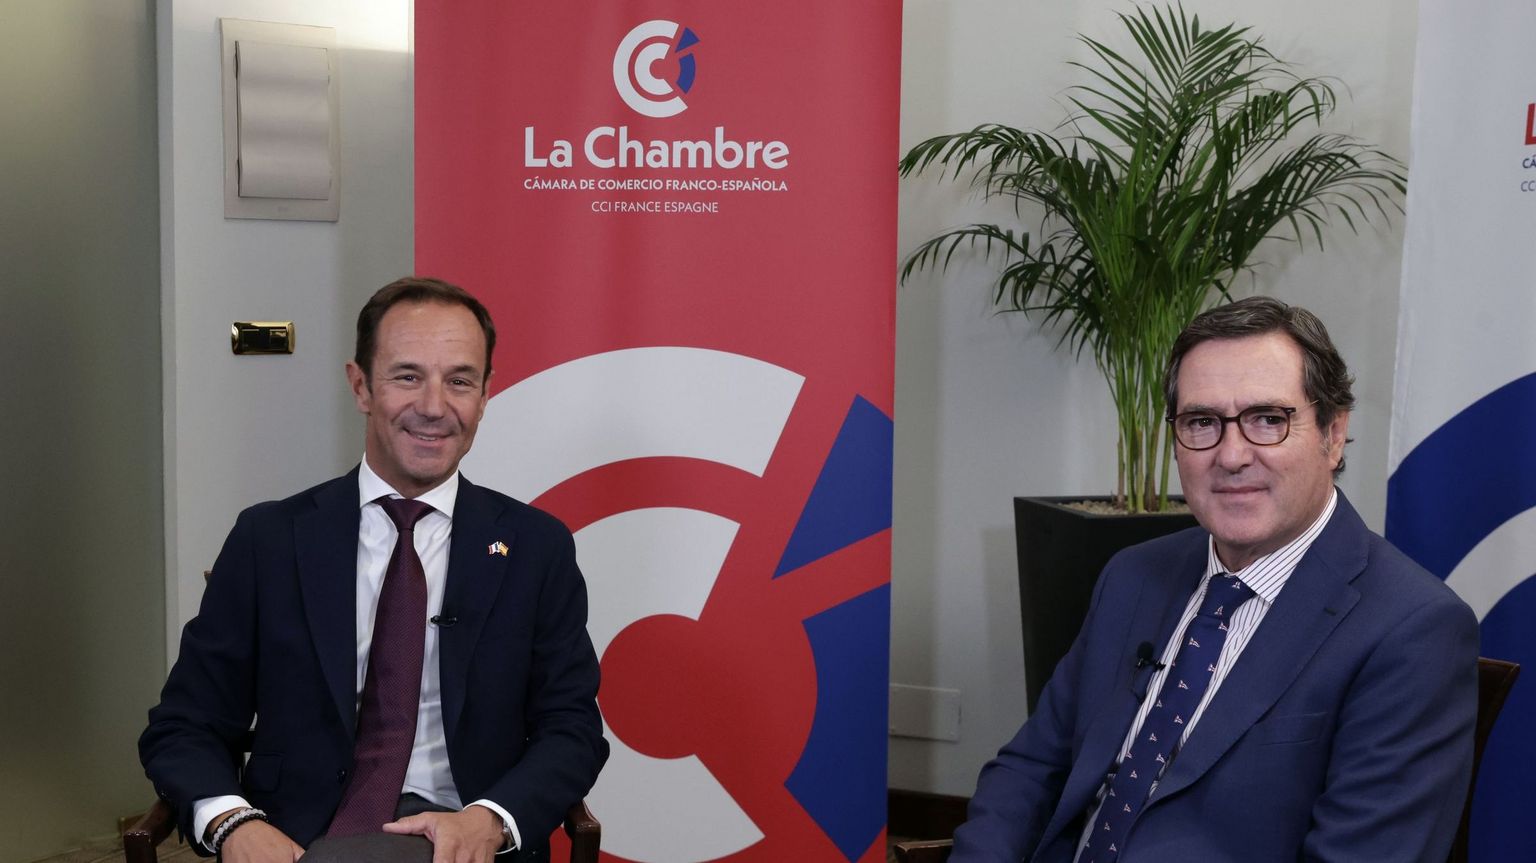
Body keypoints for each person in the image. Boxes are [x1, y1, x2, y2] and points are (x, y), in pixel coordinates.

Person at [951, 297, 1478, 863]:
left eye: (1268, 420)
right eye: (1202, 422)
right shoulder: (1133, 575)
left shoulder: (1413, 629)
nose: (1231, 456)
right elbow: (1029, 770)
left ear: (1332, 434)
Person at [140, 277, 607, 863]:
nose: (434, 407)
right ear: (360, 385)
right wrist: (234, 823)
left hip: (466, 838)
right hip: (303, 838)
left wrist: (491, 820)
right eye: (407, 377)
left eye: (459, 381)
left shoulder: (536, 547)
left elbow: (572, 729)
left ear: (486, 395)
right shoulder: (269, 540)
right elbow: (185, 723)